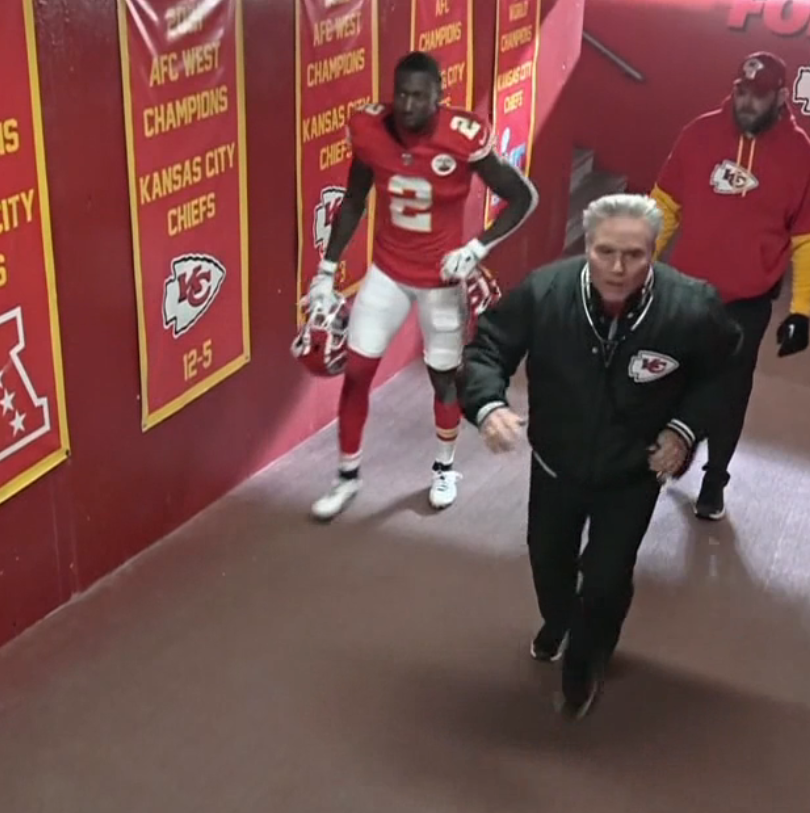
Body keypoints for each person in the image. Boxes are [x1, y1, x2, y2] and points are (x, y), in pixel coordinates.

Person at [458, 193, 743, 719]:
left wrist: (684, 430)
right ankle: (561, 620)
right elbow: (487, 349)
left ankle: (584, 664)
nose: (618, 267)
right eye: (605, 251)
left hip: (632, 474)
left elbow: (723, 374)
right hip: (555, 463)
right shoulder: (545, 292)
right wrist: (488, 404)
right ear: (586, 246)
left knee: (608, 578)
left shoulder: (690, 306)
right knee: (548, 560)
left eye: (634, 255)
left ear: (654, 252)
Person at [306, 51, 538, 521]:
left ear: (440, 96)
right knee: (356, 371)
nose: (408, 105)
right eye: (402, 94)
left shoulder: (462, 136)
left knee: (444, 375)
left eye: (419, 96)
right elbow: (354, 199)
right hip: (389, 271)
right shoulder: (371, 129)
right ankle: (347, 474)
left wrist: (478, 248)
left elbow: (523, 197)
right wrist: (327, 270)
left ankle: (444, 467)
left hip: (442, 280)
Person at [648, 51, 810, 521]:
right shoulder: (699, 134)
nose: (748, 103)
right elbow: (664, 207)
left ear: (782, 97)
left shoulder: (804, 159)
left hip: (745, 305)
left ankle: (714, 480)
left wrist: (801, 311)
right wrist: (634, 265)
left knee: (729, 392)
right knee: (662, 377)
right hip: (683, 293)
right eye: (742, 92)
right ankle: (661, 456)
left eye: (760, 95)